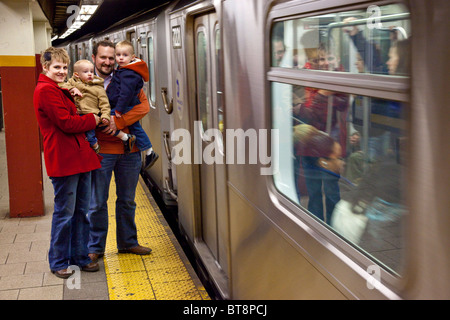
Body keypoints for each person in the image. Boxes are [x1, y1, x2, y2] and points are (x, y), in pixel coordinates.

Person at [33, 47, 101, 278]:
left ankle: (80, 257)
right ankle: (59, 261)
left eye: (64, 67)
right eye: (57, 67)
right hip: (64, 159)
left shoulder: (57, 88)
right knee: (65, 213)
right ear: (45, 67)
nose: (62, 72)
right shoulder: (45, 91)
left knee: (81, 211)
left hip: (80, 158)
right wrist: (92, 119)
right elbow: (66, 123)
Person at [88, 40, 153, 263]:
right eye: (103, 57)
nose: (108, 62)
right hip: (101, 151)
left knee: (127, 200)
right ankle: (95, 247)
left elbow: (143, 106)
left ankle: (128, 242)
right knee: (97, 202)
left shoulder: (127, 77)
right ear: (94, 57)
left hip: (129, 150)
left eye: (111, 57)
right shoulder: (86, 82)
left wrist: (118, 121)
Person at [60, 59, 136, 154]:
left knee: (91, 135)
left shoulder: (98, 88)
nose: (90, 74)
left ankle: (96, 147)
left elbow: (105, 104)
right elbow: (61, 85)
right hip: (76, 115)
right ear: (76, 75)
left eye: (91, 71)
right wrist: (72, 88)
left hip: (91, 116)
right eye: (86, 72)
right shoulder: (72, 82)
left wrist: (105, 116)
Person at [107, 40, 158, 166]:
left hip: (124, 106)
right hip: (124, 105)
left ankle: (126, 138)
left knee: (105, 120)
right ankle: (149, 151)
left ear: (132, 57)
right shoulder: (123, 70)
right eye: (118, 55)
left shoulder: (128, 73)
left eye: (125, 55)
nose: (121, 58)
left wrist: (119, 109)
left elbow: (126, 93)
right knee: (135, 127)